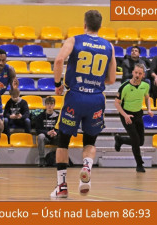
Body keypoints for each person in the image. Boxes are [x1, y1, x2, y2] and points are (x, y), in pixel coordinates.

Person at [51, 10, 116, 198]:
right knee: (90, 141)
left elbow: (59, 60)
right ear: (100, 26)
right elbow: (111, 79)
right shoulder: (108, 46)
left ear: (84, 24)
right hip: (96, 98)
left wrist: (58, 85)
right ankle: (87, 167)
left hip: (75, 96)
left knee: (63, 141)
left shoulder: (74, 40)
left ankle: (62, 187)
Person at [114, 64, 154, 173]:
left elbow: (147, 98)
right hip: (126, 114)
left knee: (141, 142)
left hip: (138, 114)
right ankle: (139, 164)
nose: (137, 75)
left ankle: (120, 139)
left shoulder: (145, 85)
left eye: (140, 73)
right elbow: (116, 104)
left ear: (143, 75)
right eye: (136, 72)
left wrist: (149, 109)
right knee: (136, 140)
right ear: (133, 72)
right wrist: (125, 115)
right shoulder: (124, 86)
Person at [35, 96, 59, 167]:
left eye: (51, 104)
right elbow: (38, 129)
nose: (49, 106)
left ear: (54, 105)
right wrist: (47, 133)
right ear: (45, 105)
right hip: (46, 138)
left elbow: (61, 127)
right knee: (40, 136)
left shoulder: (58, 116)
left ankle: (59, 158)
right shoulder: (40, 116)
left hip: (55, 137)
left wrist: (56, 132)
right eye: (48, 104)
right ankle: (42, 158)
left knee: (62, 136)